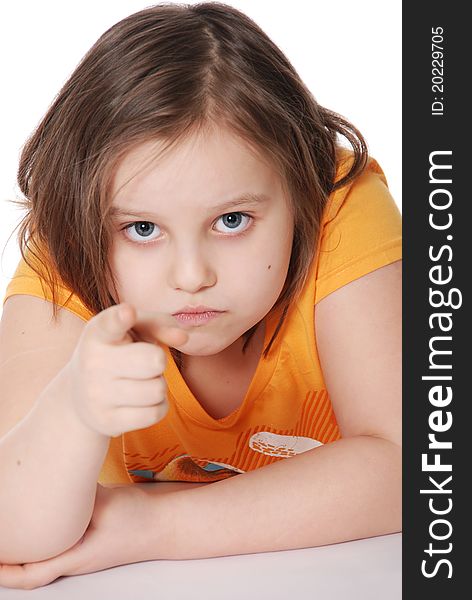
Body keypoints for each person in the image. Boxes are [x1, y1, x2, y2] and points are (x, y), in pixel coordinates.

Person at [0, 1, 401, 589]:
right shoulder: (71, 252)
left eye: (232, 220)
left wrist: (150, 527)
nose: (192, 275)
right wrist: (73, 410)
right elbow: (13, 530)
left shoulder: (341, 208)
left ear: (301, 193)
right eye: (142, 229)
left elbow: (421, 469)